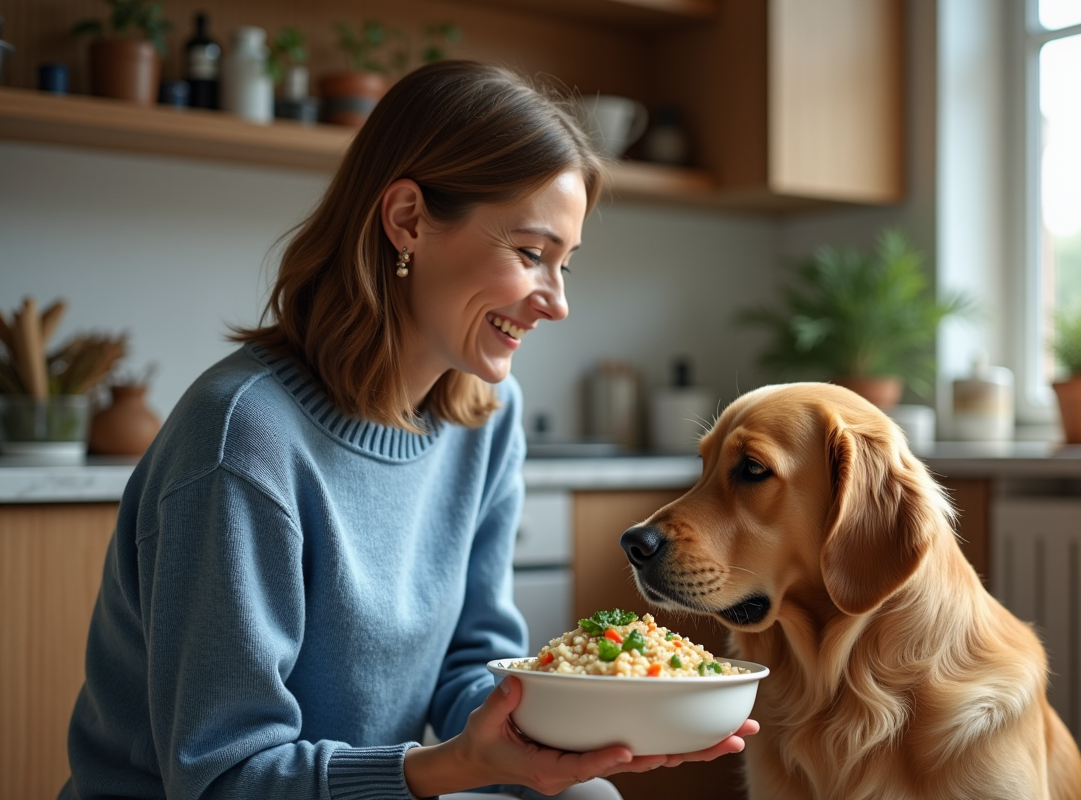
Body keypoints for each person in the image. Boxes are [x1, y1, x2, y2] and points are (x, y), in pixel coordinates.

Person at [59, 60, 757, 800]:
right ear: (407, 220)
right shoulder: (243, 439)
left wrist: (563, 737)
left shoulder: (487, 415)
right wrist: (460, 766)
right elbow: (224, 777)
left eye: (565, 266)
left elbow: (472, 661)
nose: (555, 304)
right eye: (530, 254)